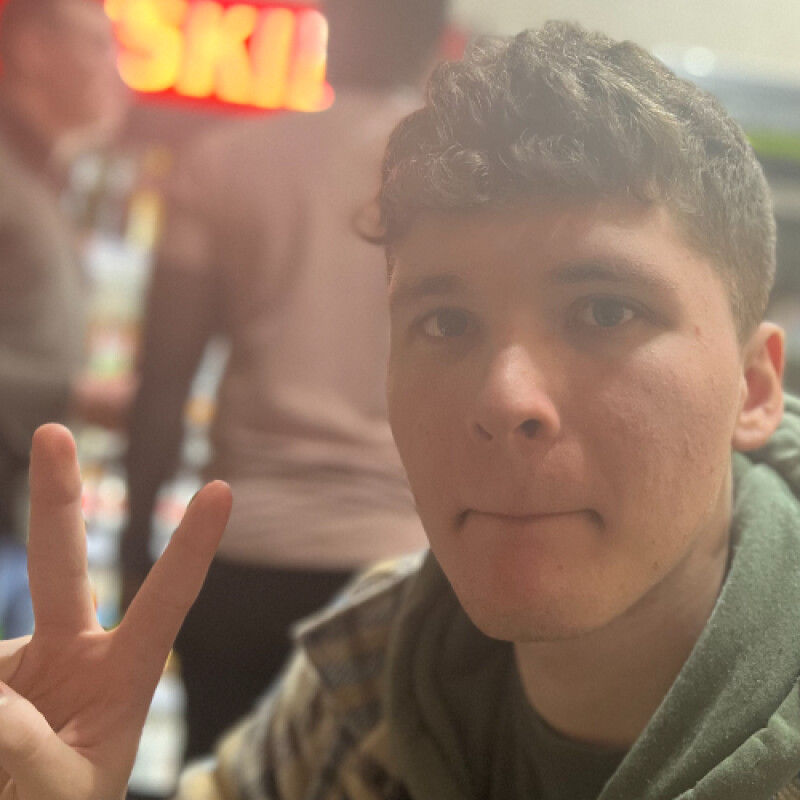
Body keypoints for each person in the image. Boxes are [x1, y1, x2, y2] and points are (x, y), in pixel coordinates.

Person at [0, 18, 799, 800]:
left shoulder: (230, 167)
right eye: (446, 323)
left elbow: (164, 381)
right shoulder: (364, 670)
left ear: (756, 387)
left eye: (605, 312)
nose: (504, 398)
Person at [120, 0, 447, 760]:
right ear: (433, 44)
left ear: (331, 32)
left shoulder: (225, 161)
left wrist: (140, 552)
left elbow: (163, 380)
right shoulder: (454, 183)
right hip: (401, 562)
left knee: (218, 777)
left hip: (243, 553)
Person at [0, 0, 131, 548]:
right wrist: (75, 394)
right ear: (32, 48)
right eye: (97, 45)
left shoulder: (41, 177)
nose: (116, 71)